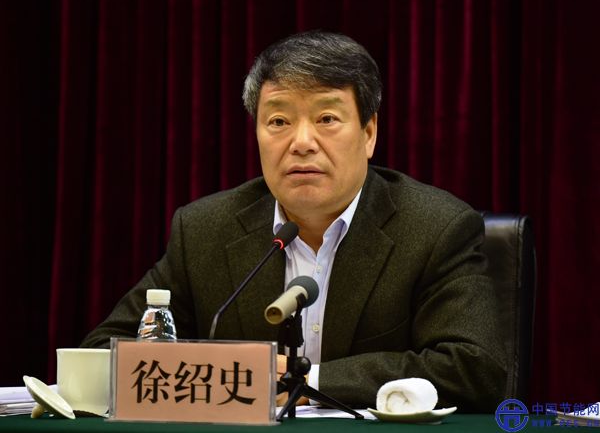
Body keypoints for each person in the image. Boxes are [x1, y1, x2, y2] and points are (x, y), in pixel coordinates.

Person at [81, 30, 506, 412]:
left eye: (327, 119)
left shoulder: (434, 227)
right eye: (279, 121)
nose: (301, 143)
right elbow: (102, 354)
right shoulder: (205, 231)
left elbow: (474, 368)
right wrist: (225, 377)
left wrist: (307, 381)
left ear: (369, 133)